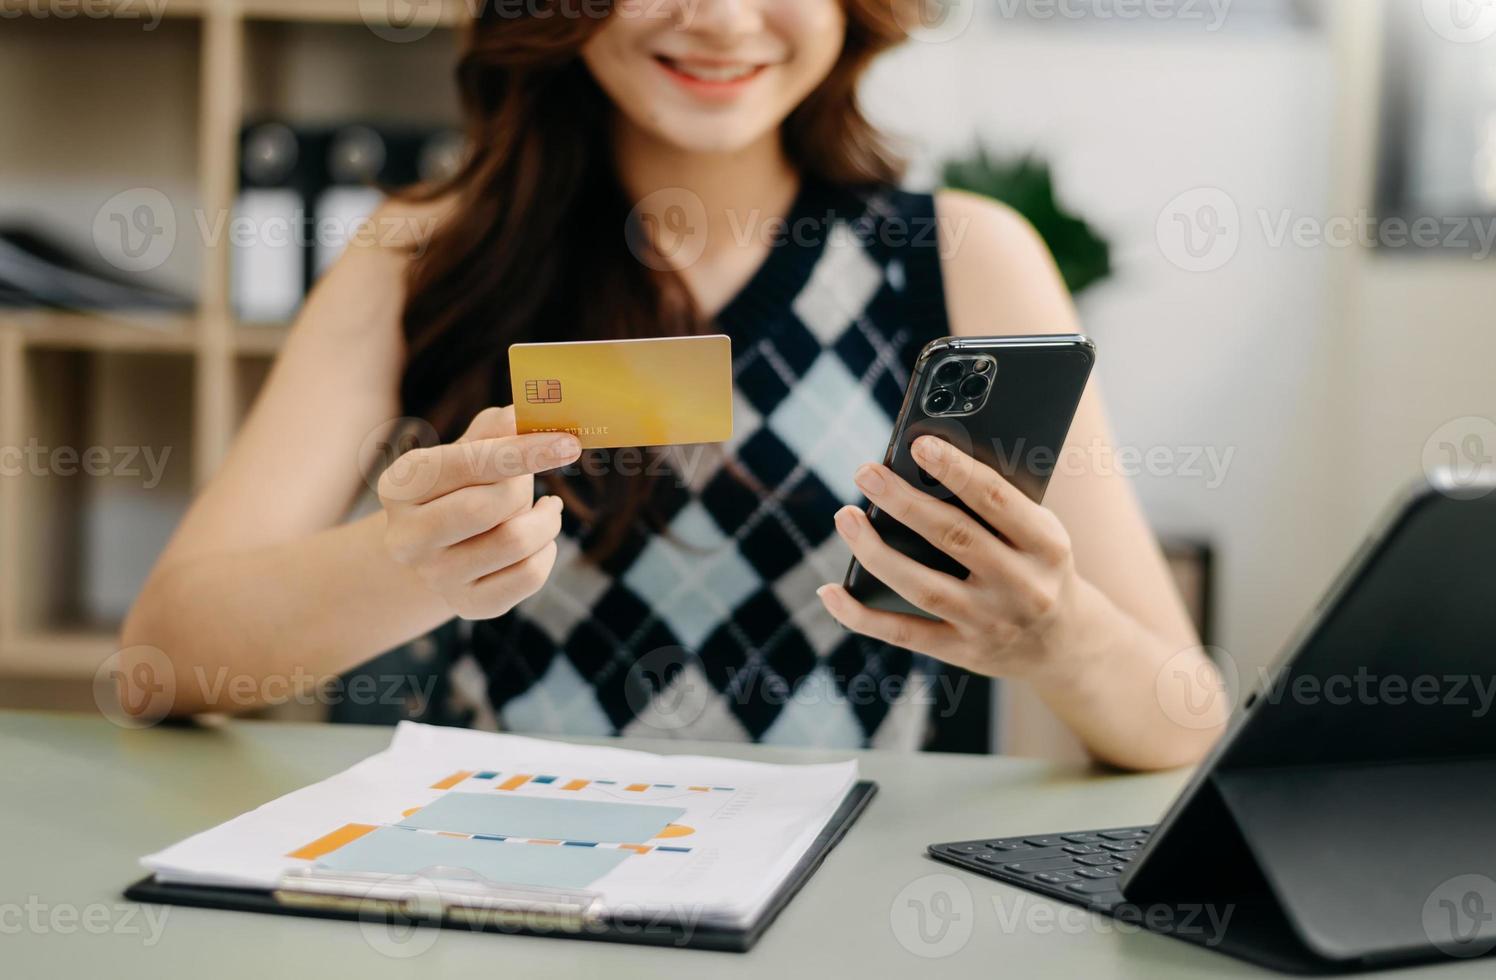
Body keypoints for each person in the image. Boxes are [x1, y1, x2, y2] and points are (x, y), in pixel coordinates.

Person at [121, 0, 1225, 770]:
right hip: (499, 881)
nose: (724, 17)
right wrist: (405, 559)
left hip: (837, 893)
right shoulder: (421, 252)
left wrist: (1053, 632)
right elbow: (162, 660)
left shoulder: (963, 257)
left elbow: (1181, 714)